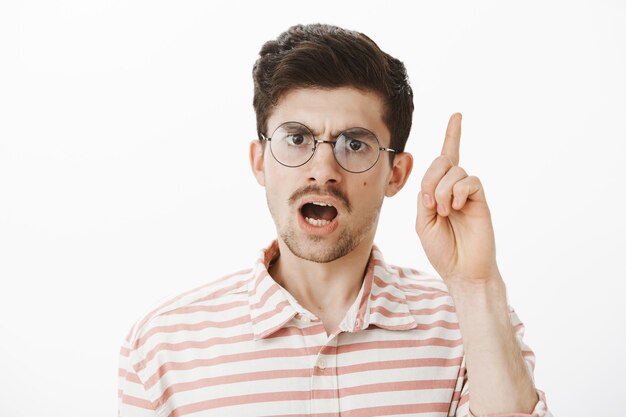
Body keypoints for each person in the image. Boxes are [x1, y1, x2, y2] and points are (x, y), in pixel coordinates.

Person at [118, 23, 551, 417]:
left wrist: (476, 287)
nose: (323, 169)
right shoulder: (162, 348)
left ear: (395, 174)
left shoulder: (470, 324)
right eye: (296, 138)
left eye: (355, 144)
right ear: (259, 162)